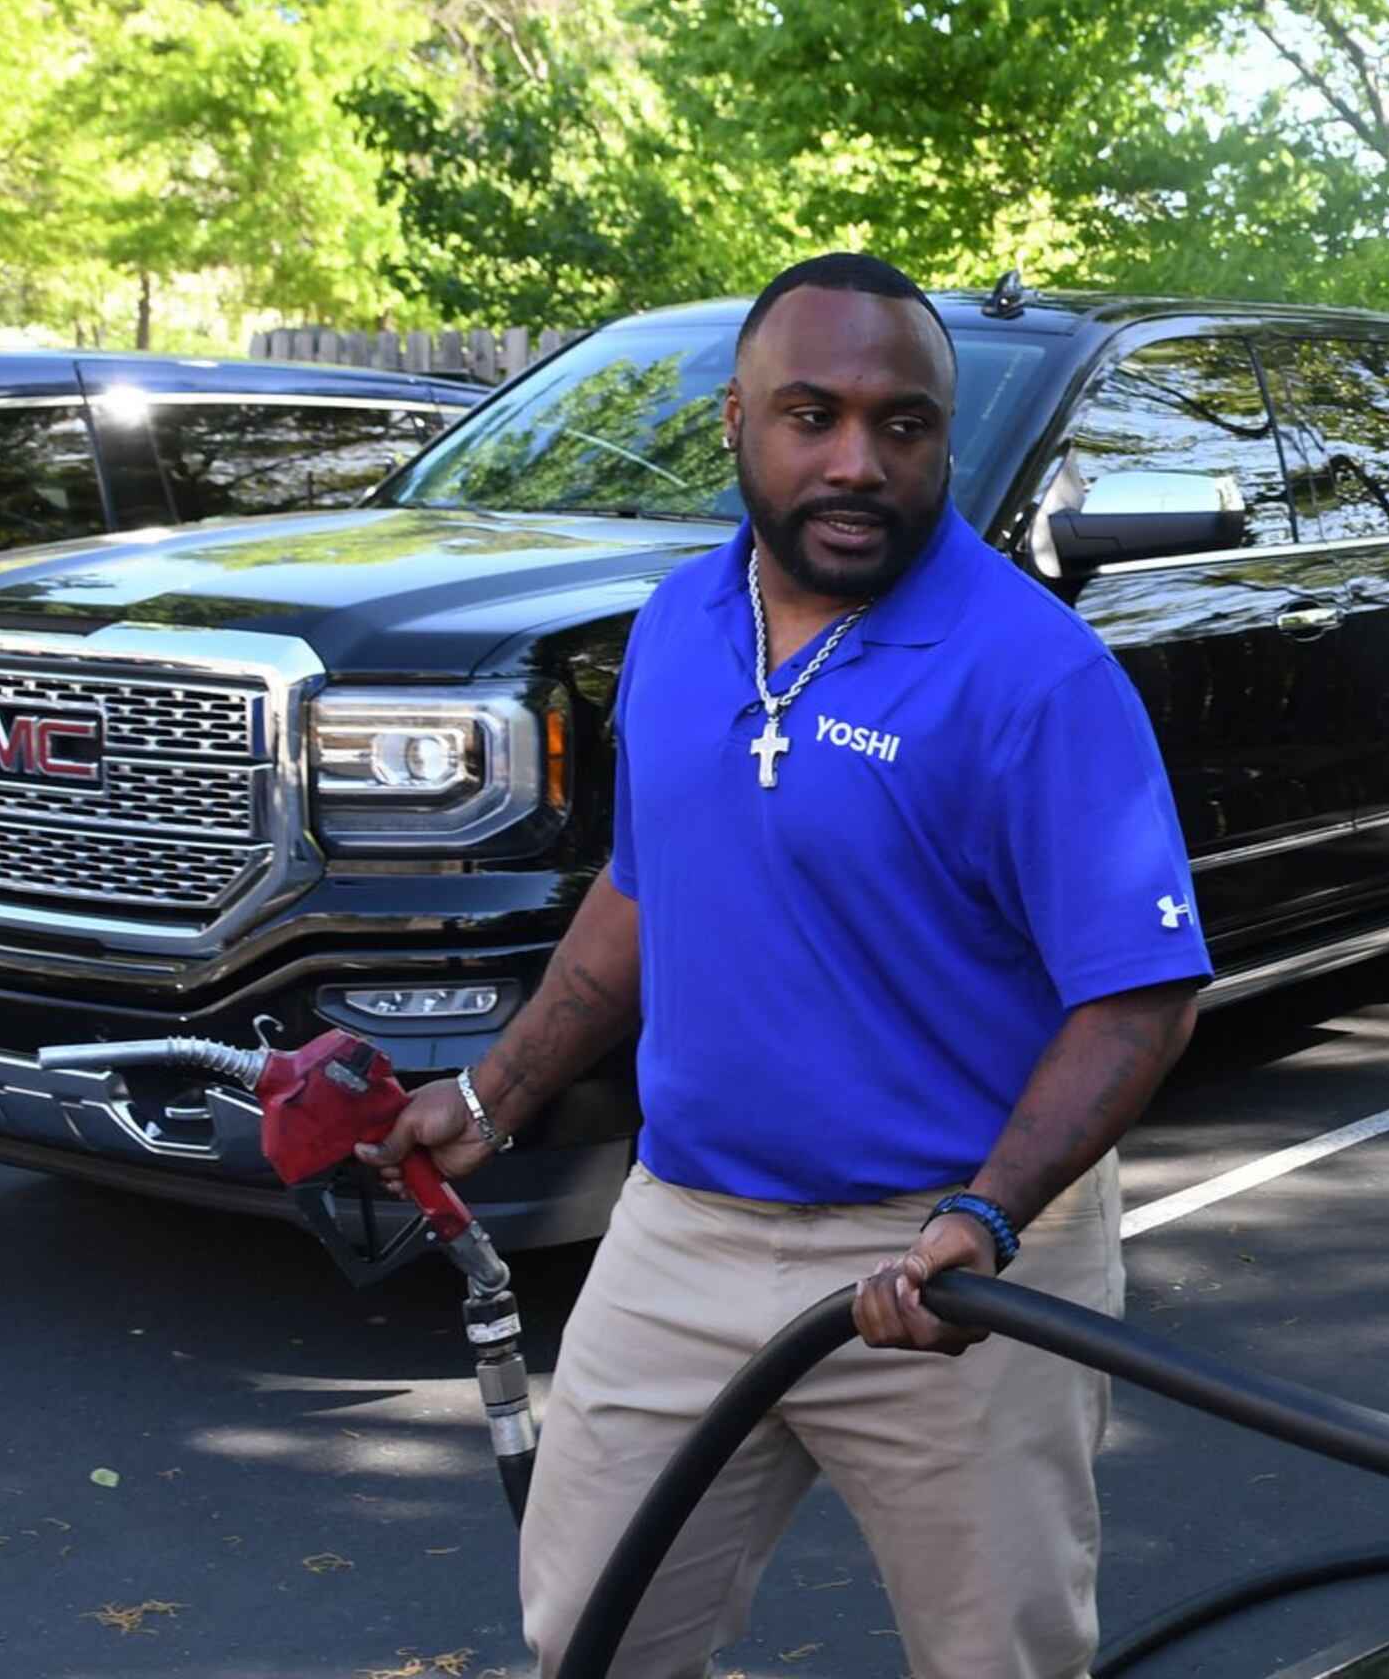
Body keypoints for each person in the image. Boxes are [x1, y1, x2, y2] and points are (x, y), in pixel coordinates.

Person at [364, 251, 1211, 1679]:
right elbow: (645, 888)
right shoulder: (677, 628)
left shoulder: (1036, 673)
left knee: (999, 1660)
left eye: (904, 424)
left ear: (947, 434)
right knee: (592, 1638)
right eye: (809, 415)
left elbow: (1139, 996)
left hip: (949, 1262)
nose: (857, 461)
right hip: (682, 1229)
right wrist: (491, 1095)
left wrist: (987, 1221)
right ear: (737, 426)